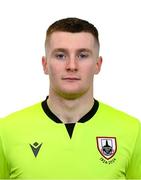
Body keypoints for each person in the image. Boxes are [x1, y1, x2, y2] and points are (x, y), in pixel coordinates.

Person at [0, 17, 141, 179]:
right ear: (45, 64)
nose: (72, 66)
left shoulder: (132, 130)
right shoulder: (6, 131)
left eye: (82, 55)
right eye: (60, 55)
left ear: (98, 64)